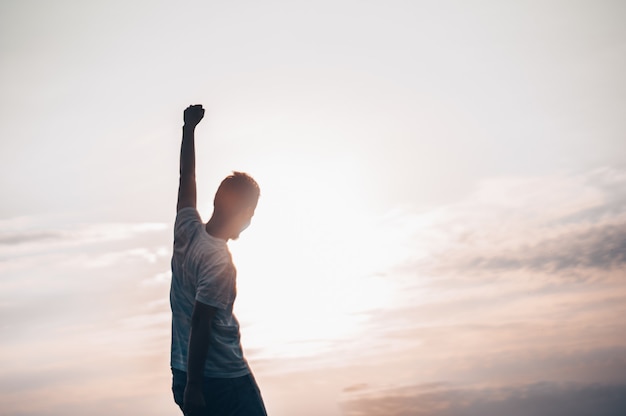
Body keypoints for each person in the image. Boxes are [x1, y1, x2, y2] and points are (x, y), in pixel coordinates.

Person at [170, 104, 267, 416]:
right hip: (220, 378)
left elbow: (187, 176)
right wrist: (196, 387)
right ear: (241, 213)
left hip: (182, 370)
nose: (250, 221)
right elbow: (201, 321)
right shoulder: (219, 263)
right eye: (250, 213)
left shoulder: (185, 228)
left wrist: (189, 129)